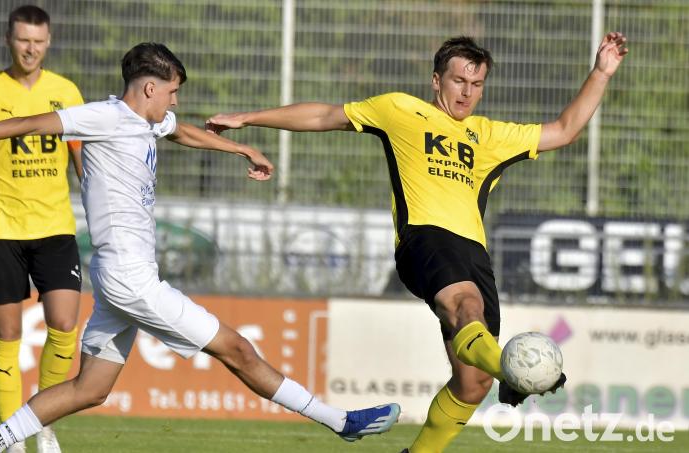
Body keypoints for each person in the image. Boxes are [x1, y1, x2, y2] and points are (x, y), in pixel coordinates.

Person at [0, 42, 400, 453]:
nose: (174, 100)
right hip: (130, 278)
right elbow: (26, 124)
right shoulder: (103, 116)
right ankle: (341, 422)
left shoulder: (151, 121)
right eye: (172, 91)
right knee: (237, 349)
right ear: (149, 87)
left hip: (118, 277)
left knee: (90, 389)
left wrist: (241, 149)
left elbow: (183, 131)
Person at [204, 33, 628, 453]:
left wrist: (601, 72)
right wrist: (248, 118)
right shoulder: (400, 110)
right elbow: (323, 115)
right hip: (424, 239)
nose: (467, 92)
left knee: (472, 383)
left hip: (473, 255)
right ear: (436, 81)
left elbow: (565, 130)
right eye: (459, 80)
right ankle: (514, 369)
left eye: (477, 84)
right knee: (466, 308)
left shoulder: (492, 136)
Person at [0, 5, 84, 453]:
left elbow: (86, 161)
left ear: (49, 42)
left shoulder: (66, 92)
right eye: (24, 39)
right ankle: (9, 437)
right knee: (6, 337)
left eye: (39, 41)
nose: (31, 48)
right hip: (1, 230)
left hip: (56, 229)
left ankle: (43, 423)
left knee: (64, 324)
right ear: (9, 39)